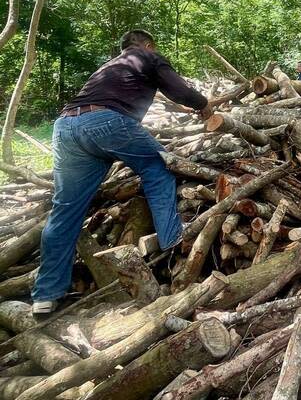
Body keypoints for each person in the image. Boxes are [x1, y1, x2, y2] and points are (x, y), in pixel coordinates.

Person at [31, 30, 212, 315]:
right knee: (159, 167)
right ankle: (173, 239)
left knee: (65, 209)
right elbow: (180, 90)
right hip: (108, 123)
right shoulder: (148, 56)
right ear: (148, 45)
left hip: (66, 127)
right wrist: (203, 105)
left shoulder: (109, 67)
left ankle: (46, 295)